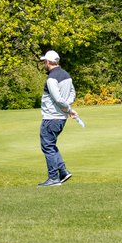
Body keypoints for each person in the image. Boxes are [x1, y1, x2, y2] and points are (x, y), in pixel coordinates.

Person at [37, 50, 80, 187]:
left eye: (44, 61)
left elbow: (57, 99)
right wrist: (69, 108)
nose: (44, 63)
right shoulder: (66, 75)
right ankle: (63, 171)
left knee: (47, 146)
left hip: (51, 117)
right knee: (51, 144)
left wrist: (68, 109)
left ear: (48, 62)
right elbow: (72, 93)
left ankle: (53, 178)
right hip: (60, 118)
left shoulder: (51, 78)